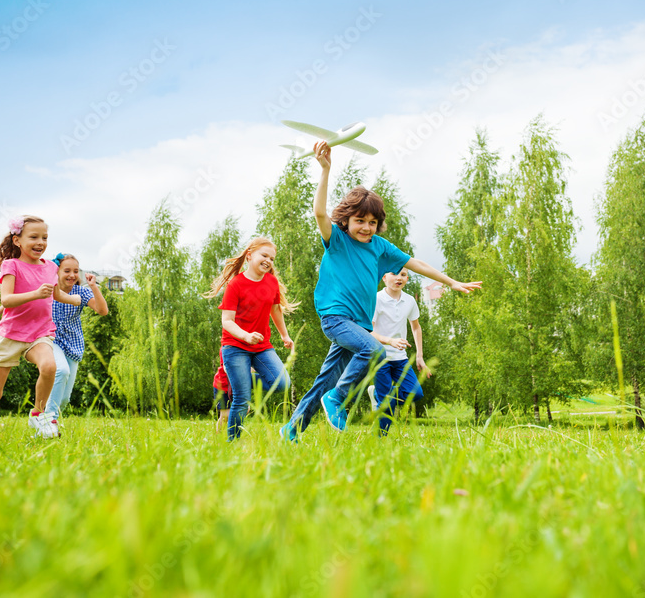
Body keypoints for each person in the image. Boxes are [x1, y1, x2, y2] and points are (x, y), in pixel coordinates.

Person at [280, 141, 481, 440]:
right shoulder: (336, 240)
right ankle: (337, 400)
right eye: (359, 221)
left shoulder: (380, 247)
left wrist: (451, 281)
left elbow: (415, 263)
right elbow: (320, 213)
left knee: (327, 379)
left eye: (372, 222)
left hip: (357, 324)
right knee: (373, 350)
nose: (366, 227)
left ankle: (291, 429)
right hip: (336, 317)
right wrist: (325, 170)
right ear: (346, 221)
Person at [0, 216, 81, 443]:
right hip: (10, 335)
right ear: (17, 240)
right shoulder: (12, 266)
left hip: (40, 332)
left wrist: (77, 299)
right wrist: (36, 294)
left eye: (45, 237)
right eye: (34, 237)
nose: (41, 242)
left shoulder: (51, 267)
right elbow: (7, 299)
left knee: (50, 367)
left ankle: (39, 414)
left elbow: (56, 294)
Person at [0, 253, 109, 433]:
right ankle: (46, 423)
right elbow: (18, 299)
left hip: (73, 344)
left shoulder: (81, 292)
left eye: (75, 271)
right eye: (67, 271)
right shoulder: (47, 288)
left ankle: (45, 424)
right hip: (48, 338)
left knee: (64, 399)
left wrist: (94, 286)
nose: (72, 275)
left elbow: (102, 310)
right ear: (57, 273)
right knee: (61, 370)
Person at [204, 237, 296, 441]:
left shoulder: (271, 282)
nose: (268, 261)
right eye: (264, 255)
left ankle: (244, 377)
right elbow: (226, 321)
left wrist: (284, 335)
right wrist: (246, 335)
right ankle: (233, 442)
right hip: (235, 346)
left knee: (282, 383)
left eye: (272, 258)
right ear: (249, 255)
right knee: (242, 399)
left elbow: (275, 309)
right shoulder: (236, 285)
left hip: (262, 347)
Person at [368, 267, 428, 435]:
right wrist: (390, 341)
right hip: (380, 357)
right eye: (394, 274)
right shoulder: (376, 299)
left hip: (400, 359)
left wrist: (420, 356)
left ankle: (381, 397)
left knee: (415, 393)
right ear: (384, 277)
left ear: (407, 278)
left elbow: (416, 328)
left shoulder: (409, 301)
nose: (399, 278)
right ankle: (380, 438)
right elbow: (368, 331)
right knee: (386, 404)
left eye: (403, 274)